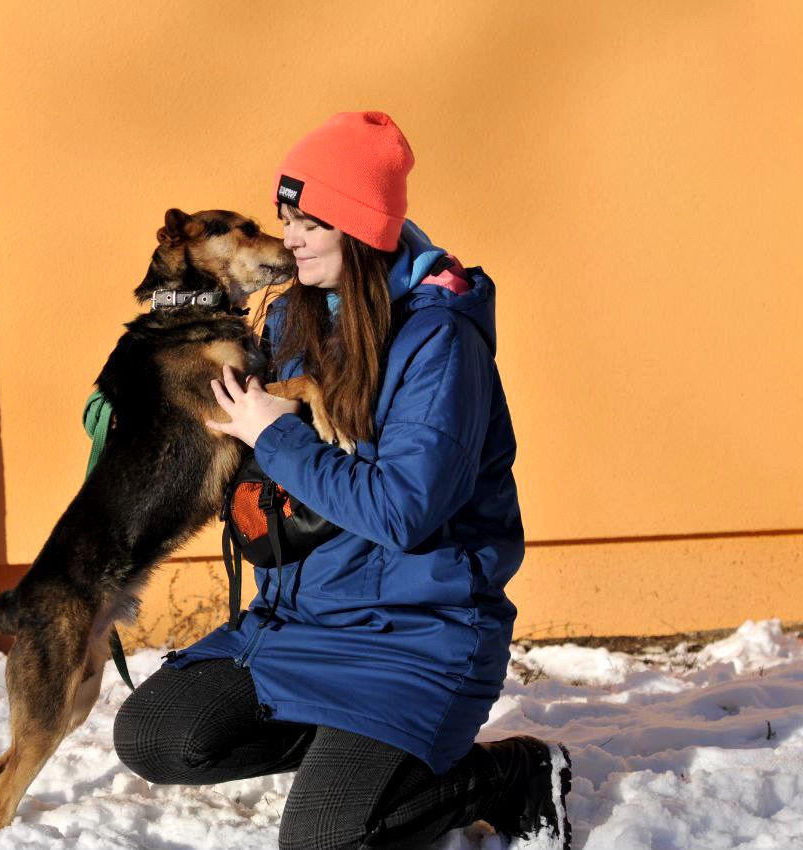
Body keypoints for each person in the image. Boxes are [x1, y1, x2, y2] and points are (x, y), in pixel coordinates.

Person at [113, 112, 571, 850]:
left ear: (359, 228)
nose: (287, 236)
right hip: (304, 626)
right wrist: (141, 412)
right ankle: (354, 756)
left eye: (308, 221)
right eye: (285, 216)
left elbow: (404, 513)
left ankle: (505, 776)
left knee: (326, 839)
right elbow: (237, 438)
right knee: (158, 736)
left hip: (419, 640)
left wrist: (277, 434)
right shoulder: (292, 317)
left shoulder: (439, 341)